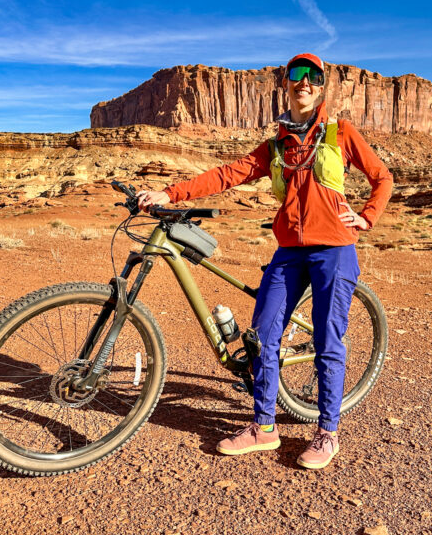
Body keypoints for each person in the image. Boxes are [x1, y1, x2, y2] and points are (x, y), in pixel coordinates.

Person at [137, 53, 393, 469]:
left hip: (335, 249)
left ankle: (327, 433)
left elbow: (383, 177)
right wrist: (170, 193)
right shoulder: (275, 146)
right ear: (286, 83)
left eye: (313, 76)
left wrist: (365, 217)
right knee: (261, 335)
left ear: (322, 86)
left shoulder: (340, 132)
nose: (304, 82)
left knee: (328, 341)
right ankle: (264, 427)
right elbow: (226, 175)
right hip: (289, 251)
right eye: (297, 75)